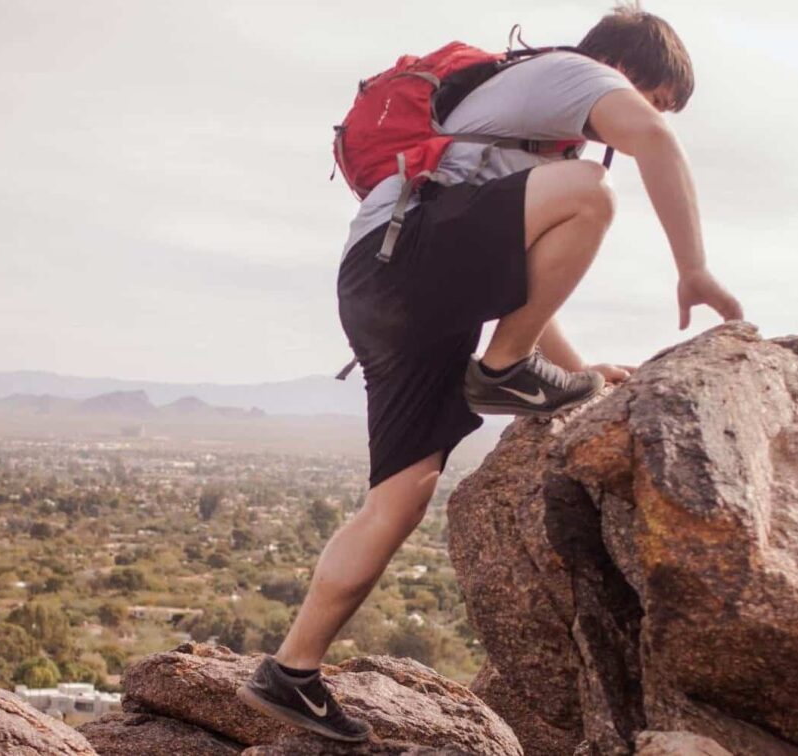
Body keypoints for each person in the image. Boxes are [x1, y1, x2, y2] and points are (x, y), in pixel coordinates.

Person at [238, 3, 744, 742]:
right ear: (631, 72)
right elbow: (652, 143)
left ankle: (291, 672)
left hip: (387, 290)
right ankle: (505, 368)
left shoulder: (524, 142)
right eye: (655, 96)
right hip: (412, 261)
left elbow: (528, 274)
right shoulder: (577, 74)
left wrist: (582, 374)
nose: (645, 113)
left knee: (400, 498)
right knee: (592, 190)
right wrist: (693, 269)